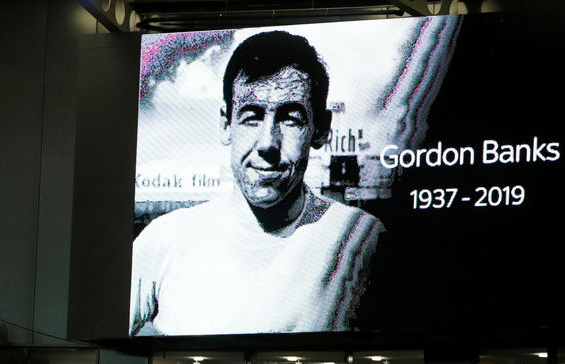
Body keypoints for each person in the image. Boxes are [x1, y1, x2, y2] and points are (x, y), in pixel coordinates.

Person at [130, 30, 384, 336]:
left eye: (290, 119)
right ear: (226, 124)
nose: (268, 143)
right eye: (251, 117)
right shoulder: (162, 242)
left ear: (320, 129)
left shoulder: (363, 239)